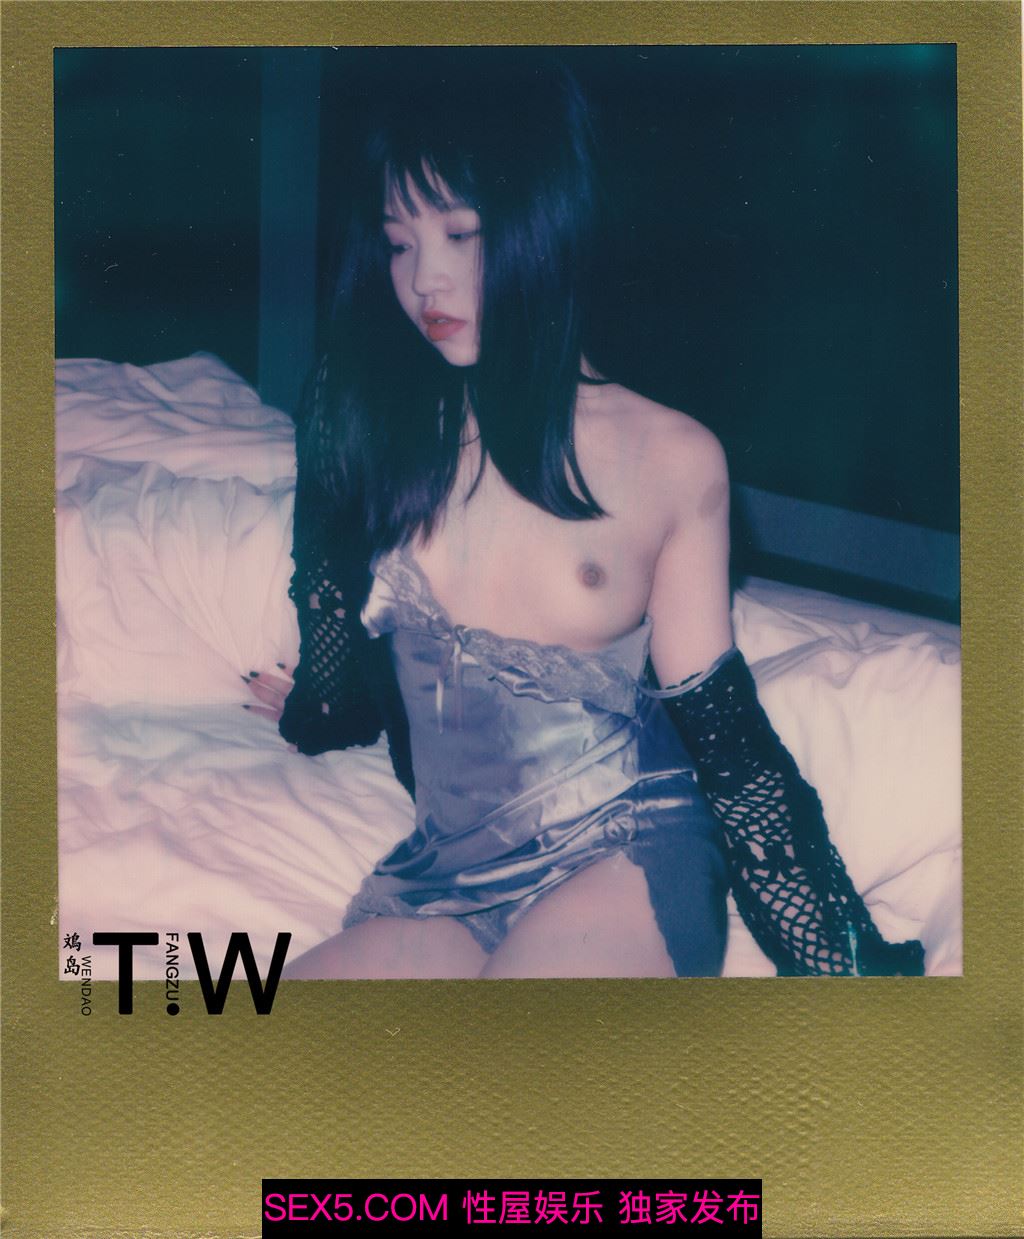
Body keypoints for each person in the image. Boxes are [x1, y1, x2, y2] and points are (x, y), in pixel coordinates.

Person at [247, 58, 924, 980]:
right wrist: (326, 704)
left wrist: (839, 965)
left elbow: (730, 747)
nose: (423, 281)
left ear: (544, 226)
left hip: (625, 851)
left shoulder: (670, 456)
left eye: (461, 232)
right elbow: (335, 597)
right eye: (400, 243)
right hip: (444, 870)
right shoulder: (361, 414)